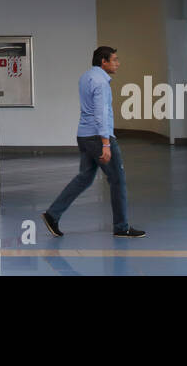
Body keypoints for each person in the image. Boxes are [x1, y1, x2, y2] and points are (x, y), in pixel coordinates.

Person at [42, 46, 145, 238]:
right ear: (103, 62)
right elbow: (101, 114)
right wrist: (106, 143)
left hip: (84, 135)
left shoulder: (86, 77)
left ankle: (52, 214)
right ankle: (122, 227)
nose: (118, 63)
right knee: (118, 180)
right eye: (114, 60)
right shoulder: (101, 82)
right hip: (98, 137)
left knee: (85, 178)